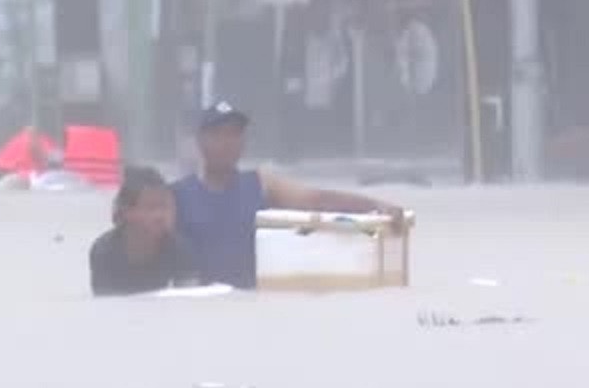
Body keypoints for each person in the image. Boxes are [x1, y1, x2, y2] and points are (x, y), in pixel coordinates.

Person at [173, 101, 405, 289]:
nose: (227, 143)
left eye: (235, 134)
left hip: (250, 302)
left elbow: (316, 201)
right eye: (218, 134)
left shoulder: (261, 184)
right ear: (200, 141)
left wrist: (378, 206)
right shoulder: (176, 195)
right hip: (200, 302)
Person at [89, 166, 195, 297]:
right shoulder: (104, 251)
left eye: (165, 207)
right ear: (127, 212)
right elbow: (105, 302)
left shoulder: (180, 249)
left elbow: (186, 301)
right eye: (151, 208)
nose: (160, 216)